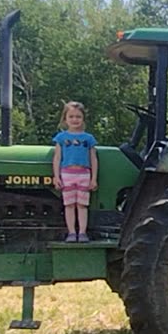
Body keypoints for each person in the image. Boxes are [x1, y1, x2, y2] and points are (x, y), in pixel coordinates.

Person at [51, 101, 98, 242]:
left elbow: (93, 158)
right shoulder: (61, 138)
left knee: (82, 205)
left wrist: (93, 178)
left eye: (78, 116)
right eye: (71, 117)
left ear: (83, 118)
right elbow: (57, 158)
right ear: (65, 119)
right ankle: (72, 232)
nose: (75, 120)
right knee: (69, 204)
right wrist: (56, 176)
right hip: (67, 174)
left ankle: (82, 232)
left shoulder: (88, 139)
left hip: (84, 174)